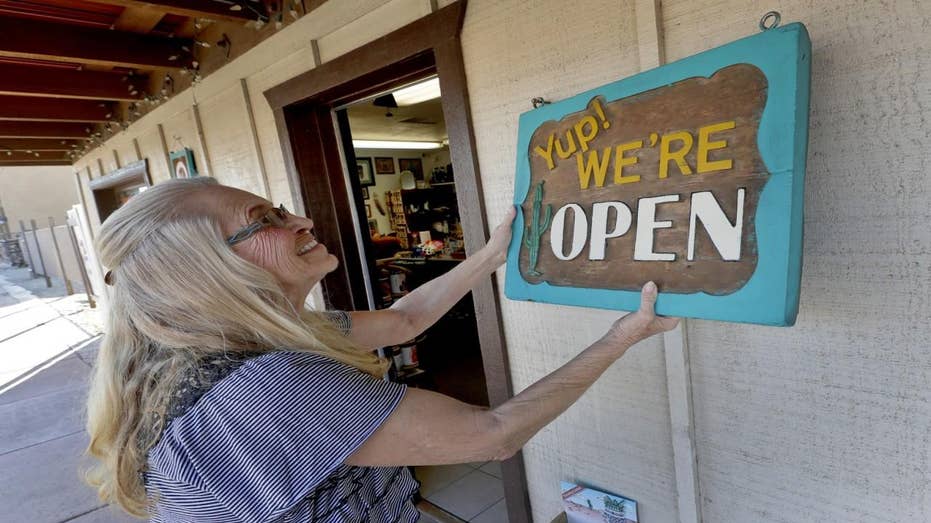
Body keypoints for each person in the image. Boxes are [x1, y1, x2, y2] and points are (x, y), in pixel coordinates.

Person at [84, 177, 678, 522]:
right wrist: (621, 336)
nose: (303, 219)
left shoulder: (255, 334)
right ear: (205, 269)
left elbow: (403, 318)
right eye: (265, 218)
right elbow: (493, 433)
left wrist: (493, 255)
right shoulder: (258, 388)